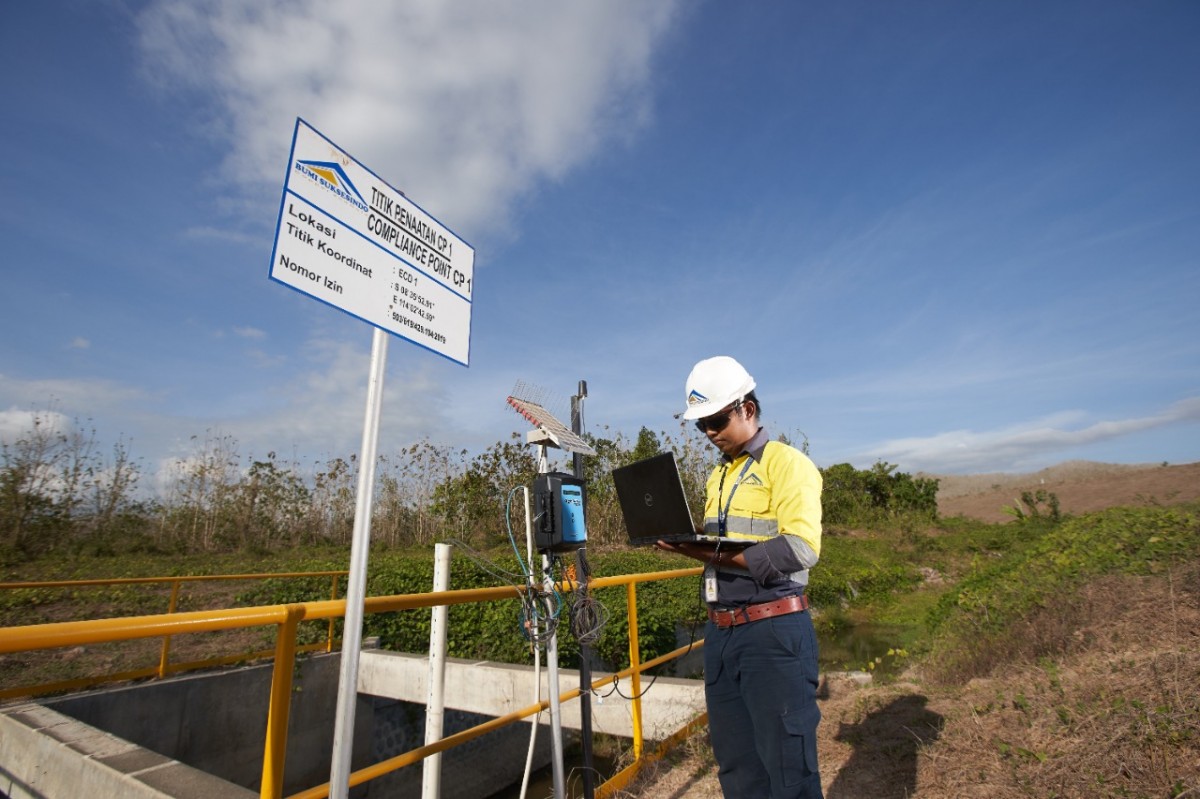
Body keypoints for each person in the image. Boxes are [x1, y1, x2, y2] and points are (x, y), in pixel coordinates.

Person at [658, 355, 824, 799]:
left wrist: (697, 550)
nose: (710, 432)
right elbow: (723, 550)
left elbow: (801, 549)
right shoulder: (719, 475)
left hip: (773, 633)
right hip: (723, 634)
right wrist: (684, 543)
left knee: (789, 773)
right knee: (737, 769)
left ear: (747, 409)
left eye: (716, 420)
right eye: (701, 425)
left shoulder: (787, 464)